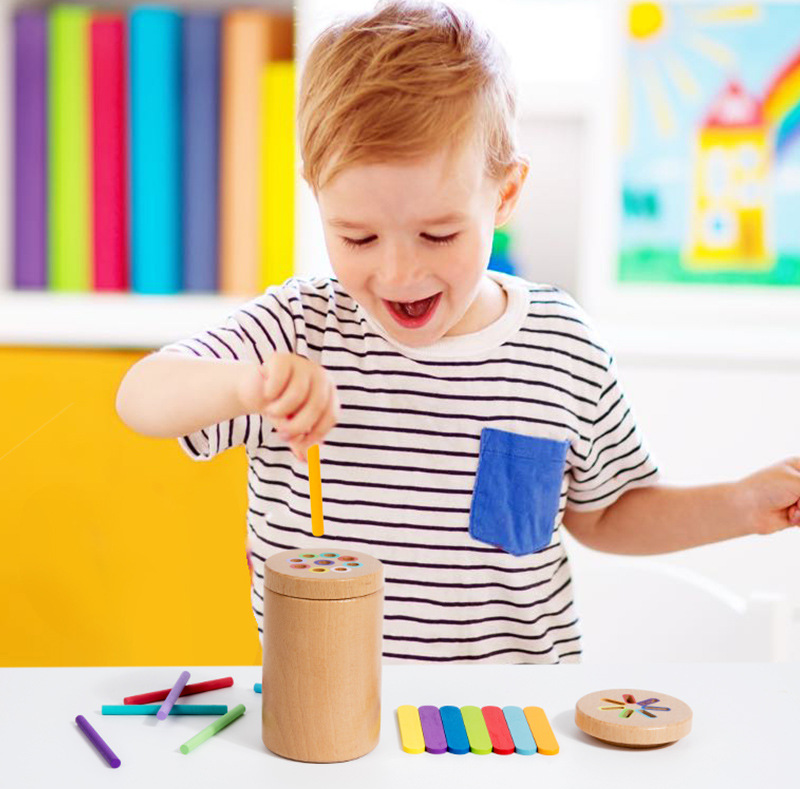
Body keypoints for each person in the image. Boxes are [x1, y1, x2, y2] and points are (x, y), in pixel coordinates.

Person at [116, 1, 800, 664]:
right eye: (356, 236)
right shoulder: (296, 330)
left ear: (503, 194)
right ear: (318, 196)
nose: (397, 271)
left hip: (507, 730)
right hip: (327, 726)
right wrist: (249, 384)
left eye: (437, 233)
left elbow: (608, 514)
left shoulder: (561, 348)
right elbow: (141, 398)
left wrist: (739, 504)